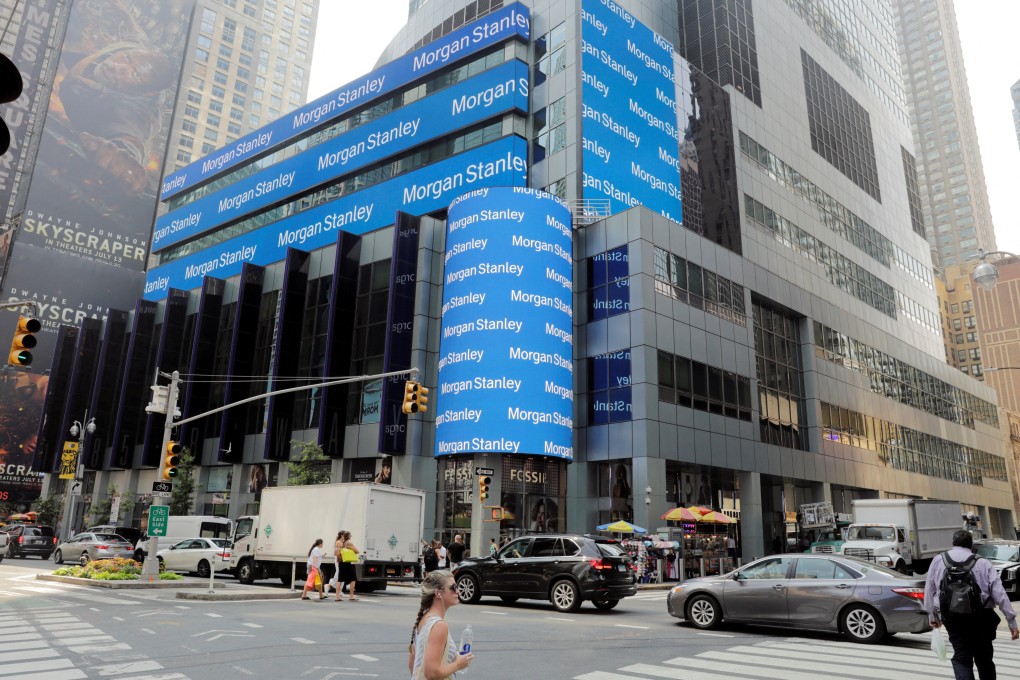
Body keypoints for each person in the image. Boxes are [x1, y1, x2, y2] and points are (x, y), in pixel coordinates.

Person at [924, 529, 1018, 679]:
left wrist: (932, 615)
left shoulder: (938, 560)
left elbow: (929, 589)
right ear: (971, 545)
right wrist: (1011, 622)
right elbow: (1000, 594)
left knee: (961, 657)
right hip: (981, 617)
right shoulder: (983, 563)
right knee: (984, 659)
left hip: (951, 616)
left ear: (953, 543)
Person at [407, 570, 473, 679]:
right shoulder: (439, 626)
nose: (458, 590)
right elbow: (431, 673)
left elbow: (411, 665)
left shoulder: (424, 619)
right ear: (438, 593)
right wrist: (458, 664)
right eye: (453, 587)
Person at [337, 530, 360, 601]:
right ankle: (351, 596)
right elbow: (357, 551)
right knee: (353, 579)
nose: (351, 536)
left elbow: (338, 552)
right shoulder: (349, 543)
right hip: (348, 563)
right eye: (350, 535)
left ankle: (337, 597)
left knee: (340, 579)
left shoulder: (341, 543)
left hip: (341, 562)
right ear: (348, 536)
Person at [327, 530, 344, 595]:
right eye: (344, 535)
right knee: (339, 573)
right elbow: (339, 551)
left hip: (341, 558)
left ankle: (340, 590)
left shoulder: (341, 542)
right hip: (339, 558)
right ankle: (329, 585)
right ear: (342, 535)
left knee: (342, 574)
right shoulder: (339, 542)